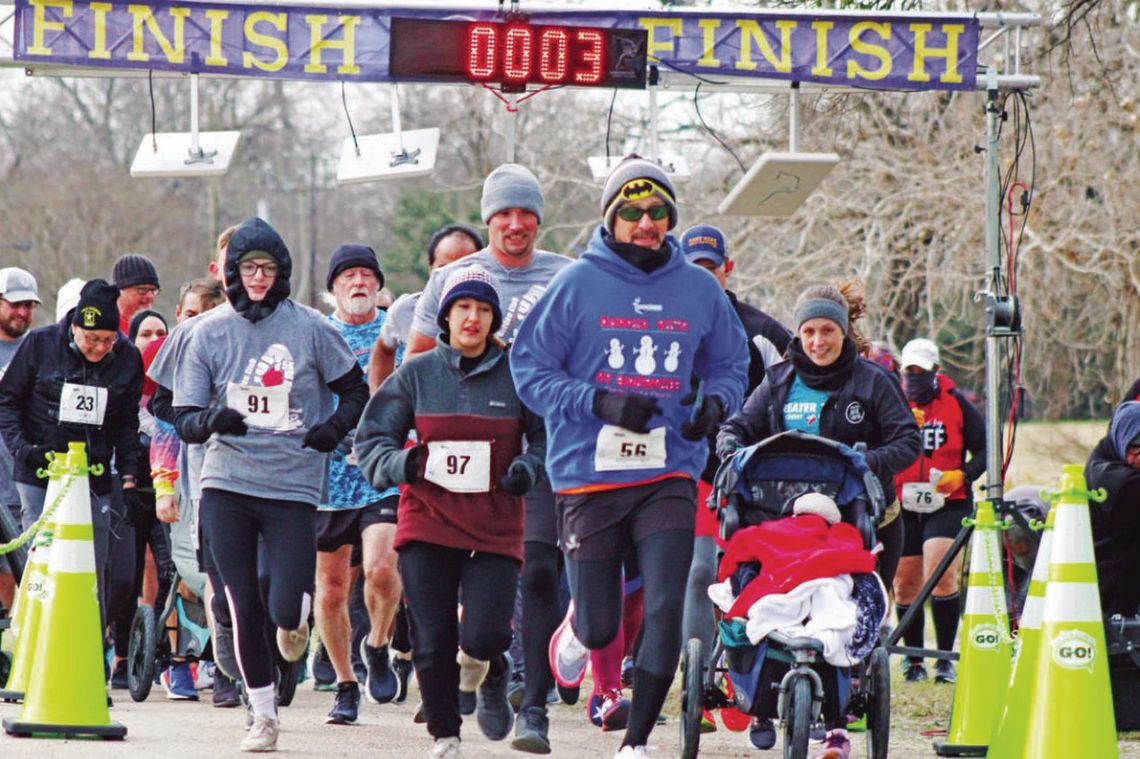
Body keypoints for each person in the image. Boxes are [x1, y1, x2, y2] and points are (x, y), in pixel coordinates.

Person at [510, 156, 750, 758]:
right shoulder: (575, 285)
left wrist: (714, 405)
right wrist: (600, 402)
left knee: (667, 602)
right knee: (599, 623)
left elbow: (730, 364)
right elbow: (529, 372)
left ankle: (636, 743)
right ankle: (578, 630)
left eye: (659, 212)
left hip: (669, 469)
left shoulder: (698, 288)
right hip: (589, 476)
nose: (648, 223)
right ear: (611, 218)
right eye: (634, 212)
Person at [171, 218, 369, 751]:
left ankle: (296, 623)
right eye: (247, 267)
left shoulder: (310, 328)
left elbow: (356, 390)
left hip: (292, 485)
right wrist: (213, 420)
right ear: (231, 271)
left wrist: (331, 429)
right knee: (240, 602)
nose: (258, 277)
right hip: (226, 482)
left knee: (285, 606)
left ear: (282, 271)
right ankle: (263, 715)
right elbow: (183, 415)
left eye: (268, 267)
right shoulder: (207, 331)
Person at [409, 165, 574, 752]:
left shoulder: (566, 276)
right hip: (465, 451)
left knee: (539, 570)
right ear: (487, 219)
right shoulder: (456, 277)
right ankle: (489, 660)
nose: (514, 223)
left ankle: (533, 708)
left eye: (525, 212)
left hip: (543, 445)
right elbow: (417, 362)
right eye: (502, 213)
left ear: (538, 219)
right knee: (470, 585)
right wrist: (408, 447)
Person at [717, 283, 920, 759]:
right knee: (771, 597)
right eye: (808, 331)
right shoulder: (780, 380)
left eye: (827, 330)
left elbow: (908, 440)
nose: (817, 341)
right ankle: (764, 701)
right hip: (783, 519)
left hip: (860, 517)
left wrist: (864, 461)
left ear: (843, 331)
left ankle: (837, 723)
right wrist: (730, 445)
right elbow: (739, 426)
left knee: (847, 617)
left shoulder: (871, 381)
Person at [356, 265, 546, 759]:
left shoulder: (517, 373)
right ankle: (445, 735)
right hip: (428, 522)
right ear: (446, 316)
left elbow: (548, 438)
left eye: (484, 310)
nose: (473, 318)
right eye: (464, 308)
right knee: (432, 638)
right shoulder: (417, 373)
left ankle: (491, 666)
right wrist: (405, 463)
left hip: (495, 525)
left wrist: (528, 466)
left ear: (494, 320)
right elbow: (371, 440)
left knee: (483, 633)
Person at [676, 225, 792, 735]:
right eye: (693, 268)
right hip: (695, 473)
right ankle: (697, 689)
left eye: (711, 267)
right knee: (701, 574)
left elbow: (799, 390)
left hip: (756, 479)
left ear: (728, 268)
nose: (703, 277)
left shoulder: (761, 330)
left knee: (753, 578)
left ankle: (757, 693)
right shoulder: (669, 325)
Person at [0, 279, 146, 622]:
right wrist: (22, 448)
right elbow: (6, 400)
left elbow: (127, 422)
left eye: (107, 341)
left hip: (93, 473)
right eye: (91, 339)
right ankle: (38, 636)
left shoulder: (126, 358)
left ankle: (90, 646)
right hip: (40, 469)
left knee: (91, 564)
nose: (98, 349)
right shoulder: (40, 344)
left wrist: (128, 476)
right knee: (44, 558)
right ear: (74, 327)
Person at [316, 243, 406, 725]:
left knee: (381, 569)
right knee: (330, 589)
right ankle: (345, 684)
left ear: (377, 285)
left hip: (381, 474)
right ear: (332, 289)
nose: (357, 283)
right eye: (347, 276)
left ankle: (378, 642)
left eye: (366, 276)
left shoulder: (397, 335)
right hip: (329, 478)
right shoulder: (319, 335)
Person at [891, 338, 985, 685]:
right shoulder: (895, 403)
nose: (914, 378)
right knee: (905, 583)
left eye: (921, 372)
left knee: (941, 571)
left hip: (948, 500)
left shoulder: (957, 404)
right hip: (903, 502)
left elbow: (985, 448)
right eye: (908, 372)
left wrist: (964, 474)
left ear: (936, 372)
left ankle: (944, 659)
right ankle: (913, 660)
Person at [369, 224, 483, 391]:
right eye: (444, 269)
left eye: (463, 268)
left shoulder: (492, 313)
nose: (452, 277)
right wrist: (380, 401)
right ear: (431, 270)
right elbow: (384, 349)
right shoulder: (406, 310)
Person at [0, 267, 41, 612]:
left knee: (18, 570)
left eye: (29, 305)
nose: (23, 313)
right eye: (15, 304)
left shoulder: (39, 350)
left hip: (21, 481)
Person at [1087, 401, 1140, 617]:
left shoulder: (1106, 453)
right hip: (1113, 594)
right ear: (1121, 439)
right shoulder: (1112, 476)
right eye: (1135, 447)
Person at [112, 254, 161, 335]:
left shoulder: (157, 330)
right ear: (120, 290)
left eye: (153, 290)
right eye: (143, 290)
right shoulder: (104, 330)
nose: (150, 296)